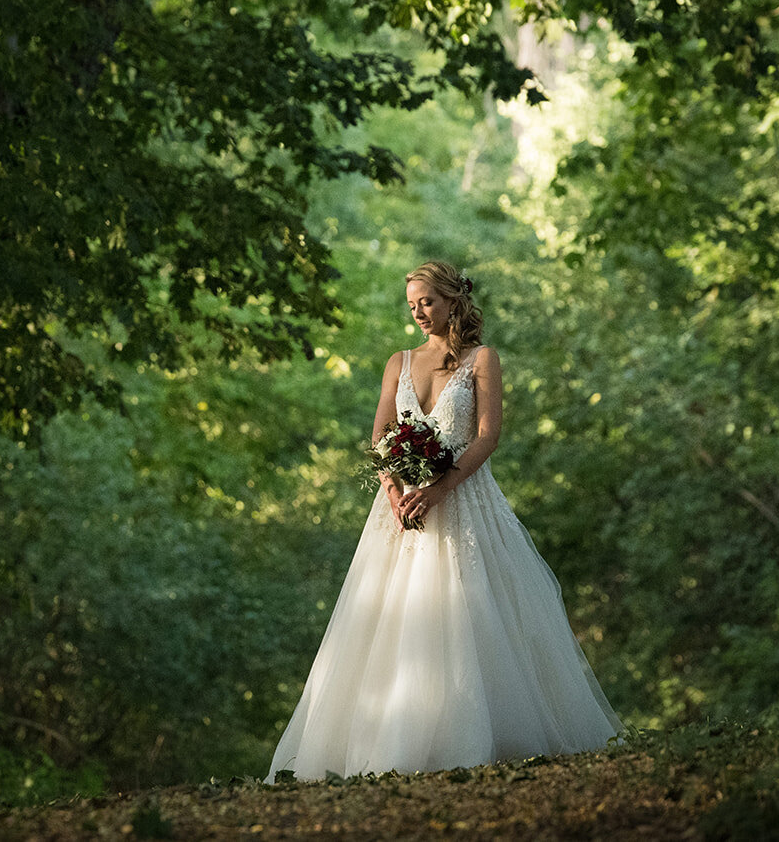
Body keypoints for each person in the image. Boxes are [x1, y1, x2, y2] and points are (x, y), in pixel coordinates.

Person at [266, 260, 621, 781]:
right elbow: (380, 438)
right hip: (401, 512)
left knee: (471, 609)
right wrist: (394, 493)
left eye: (427, 302)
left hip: (463, 502)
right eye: (411, 305)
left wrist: (439, 489)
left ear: (454, 300)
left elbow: (486, 436)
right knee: (392, 617)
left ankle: (486, 736)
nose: (418, 313)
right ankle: (389, 740)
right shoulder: (399, 361)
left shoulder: (482, 359)